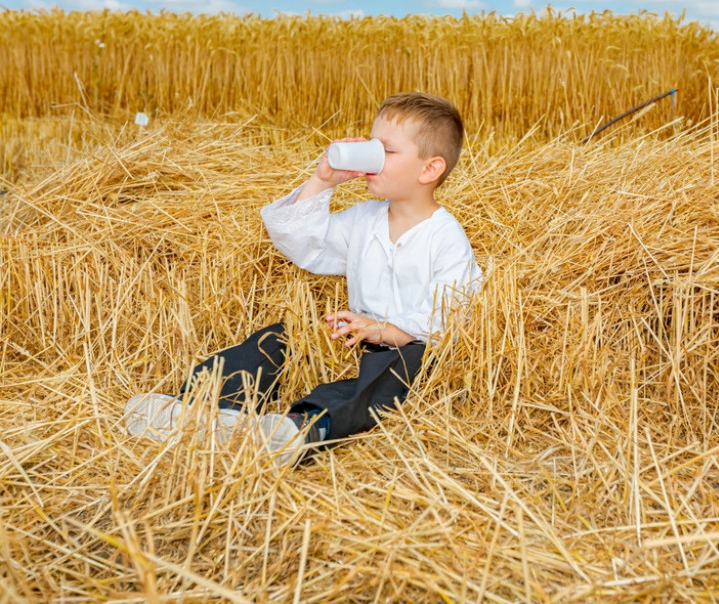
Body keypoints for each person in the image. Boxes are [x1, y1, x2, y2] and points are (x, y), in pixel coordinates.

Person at [123, 92, 481, 466]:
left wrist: (384, 330)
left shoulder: (445, 238)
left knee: (393, 372)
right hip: (354, 339)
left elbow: (448, 320)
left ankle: (300, 429)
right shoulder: (364, 219)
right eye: (371, 145)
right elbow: (303, 242)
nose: (373, 157)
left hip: (404, 351)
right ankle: (196, 407)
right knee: (279, 336)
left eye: (386, 151)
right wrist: (323, 180)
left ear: (429, 170)